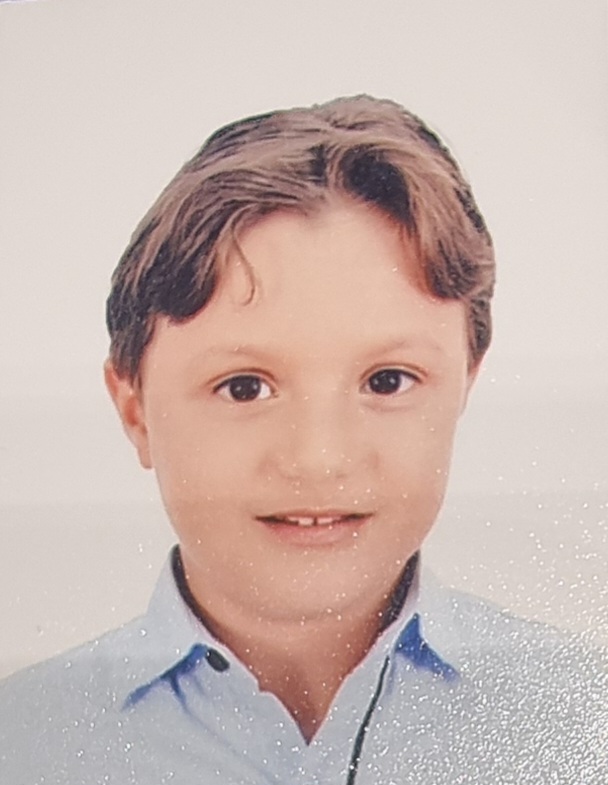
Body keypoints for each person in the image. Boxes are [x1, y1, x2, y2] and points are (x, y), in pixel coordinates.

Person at [0, 95, 605, 784]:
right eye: (243, 387)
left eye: (387, 381)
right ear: (134, 410)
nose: (319, 459)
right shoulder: (21, 744)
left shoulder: (587, 720)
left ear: (465, 383)